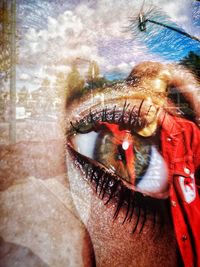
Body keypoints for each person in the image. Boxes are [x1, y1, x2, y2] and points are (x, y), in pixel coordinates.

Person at [65, 61, 200, 267]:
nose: (147, 103)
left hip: (186, 251)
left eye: (155, 95)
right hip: (141, 252)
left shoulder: (187, 133)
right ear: (129, 94)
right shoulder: (108, 134)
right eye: (140, 95)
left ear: (163, 97)